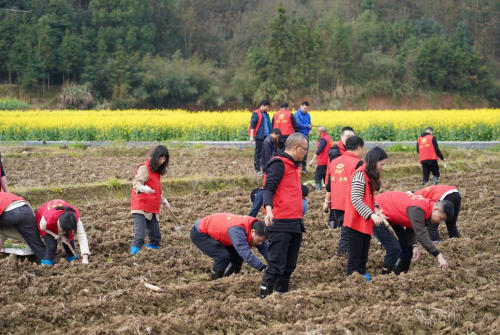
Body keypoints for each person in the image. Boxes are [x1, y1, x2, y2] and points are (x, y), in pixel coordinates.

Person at [260, 132, 307, 299]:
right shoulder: (278, 163)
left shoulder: (293, 165)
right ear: (295, 147)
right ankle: (265, 298)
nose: (305, 153)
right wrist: (269, 211)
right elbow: (268, 188)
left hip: (294, 221)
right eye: (305, 149)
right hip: (280, 222)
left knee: (289, 265)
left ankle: (282, 295)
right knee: (276, 264)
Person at [374, 191, 453, 274]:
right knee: (394, 248)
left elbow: (412, 226)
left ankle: (399, 275)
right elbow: (421, 234)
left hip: (392, 217)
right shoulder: (418, 208)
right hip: (377, 213)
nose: (439, 222)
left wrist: (414, 245)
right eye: (441, 218)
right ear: (436, 209)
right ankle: (385, 277)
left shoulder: (429, 208)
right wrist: (438, 256)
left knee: (408, 248)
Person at [343, 147, 387, 279]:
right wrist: (371, 214)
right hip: (355, 222)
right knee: (355, 257)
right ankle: (351, 282)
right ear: (374, 162)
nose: (383, 167)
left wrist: (377, 210)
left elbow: (369, 198)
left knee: (363, 256)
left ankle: (361, 280)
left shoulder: (369, 176)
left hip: (364, 222)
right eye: (381, 164)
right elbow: (356, 199)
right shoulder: (360, 175)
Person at [190, 213, 269, 280]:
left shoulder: (258, 227)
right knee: (223, 256)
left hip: (221, 233)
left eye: (262, 241)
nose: (259, 243)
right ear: (253, 231)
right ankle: (215, 281)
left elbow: (265, 248)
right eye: (259, 240)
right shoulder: (237, 231)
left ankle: (230, 279)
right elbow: (245, 253)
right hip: (201, 233)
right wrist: (263, 268)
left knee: (237, 258)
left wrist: (275, 264)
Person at [323, 136, 365, 256]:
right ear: (358, 148)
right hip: (350, 204)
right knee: (348, 234)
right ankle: (342, 257)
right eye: (363, 148)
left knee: (345, 231)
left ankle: (346, 256)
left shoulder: (335, 161)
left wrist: (328, 201)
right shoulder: (358, 163)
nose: (363, 152)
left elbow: (329, 184)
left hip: (336, 205)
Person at [130, 145, 171, 255]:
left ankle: (150, 256)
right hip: (140, 206)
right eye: (160, 158)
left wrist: (163, 200)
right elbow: (136, 183)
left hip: (152, 207)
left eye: (164, 159)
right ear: (155, 156)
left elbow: (156, 189)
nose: (162, 161)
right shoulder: (145, 167)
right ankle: (133, 257)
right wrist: (143, 188)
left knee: (156, 238)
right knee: (140, 237)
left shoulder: (157, 171)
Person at [36, 199, 90, 265]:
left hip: (61, 221)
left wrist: (85, 257)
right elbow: (43, 227)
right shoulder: (48, 221)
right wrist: (59, 235)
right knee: (51, 246)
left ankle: (72, 259)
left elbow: (82, 236)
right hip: (44, 221)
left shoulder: (75, 218)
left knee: (69, 240)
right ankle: (46, 265)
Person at [0, 192, 46, 261]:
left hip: (9, 213)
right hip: (26, 211)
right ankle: (47, 264)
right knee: (36, 245)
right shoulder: (4, 194)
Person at [249, 100, 272, 176]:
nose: (267, 108)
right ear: (262, 105)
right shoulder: (256, 113)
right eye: (266, 106)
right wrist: (252, 136)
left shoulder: (265, 114)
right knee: (258, 153)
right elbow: (252, 125)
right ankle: (257, 169)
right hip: (260, 136)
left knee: (266, 153)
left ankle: (265, 169)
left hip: (266, 136)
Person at [308, 126, 332, 191]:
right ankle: (327, 192)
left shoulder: (323, 139)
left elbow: (319, 150)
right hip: (328, 161)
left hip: (322, 162)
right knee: (326, 177)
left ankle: (318, 192)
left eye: (317, 132)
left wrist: (312, 160)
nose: (317, 133)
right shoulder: (329, 138)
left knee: (318, 178)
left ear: (320, 132)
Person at [294, 101, 312, 172]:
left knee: (305, 152)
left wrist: (310, 129)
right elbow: (298, 124)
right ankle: (297, 168)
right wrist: (307, 126)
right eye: (304, 108)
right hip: (299, 136)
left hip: (306, 136)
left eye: (307, 109)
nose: (305, 110)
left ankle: (304, 168)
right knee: (298, 151)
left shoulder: (308, 115)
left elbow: (310, 124)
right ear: (301, 106)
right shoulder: (297, 114)